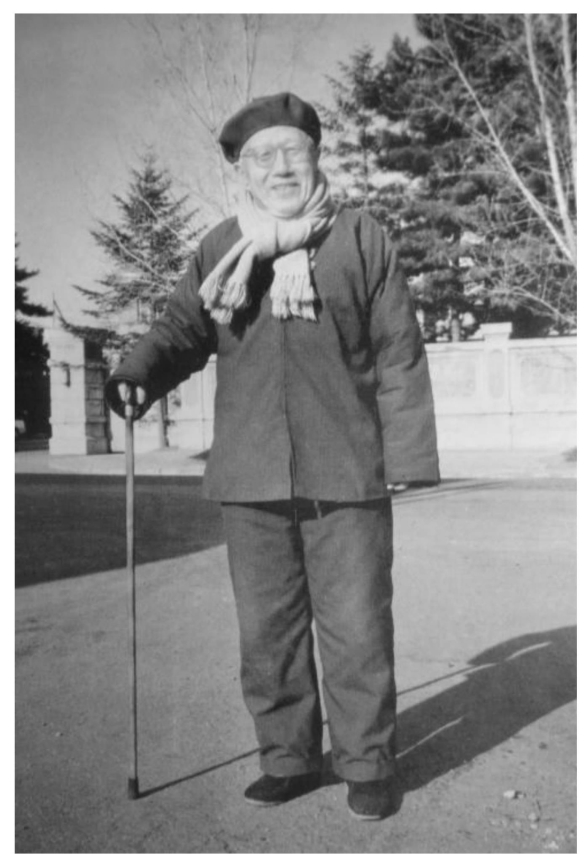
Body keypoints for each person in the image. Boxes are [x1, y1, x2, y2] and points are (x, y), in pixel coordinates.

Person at [105, 92, 440, 821]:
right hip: (250, 471)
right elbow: (183, 329)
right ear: (242, 171)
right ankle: (287, 758)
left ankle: (366, 763)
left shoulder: (360, 238)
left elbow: (399, 352)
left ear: (316, 158)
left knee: (357, 627)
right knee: (267, 632)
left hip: (346, 472)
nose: (280, 167)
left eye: (293, 151)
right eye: (263, 157)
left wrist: (407, 457)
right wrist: (136, 373)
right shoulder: (220, 248)